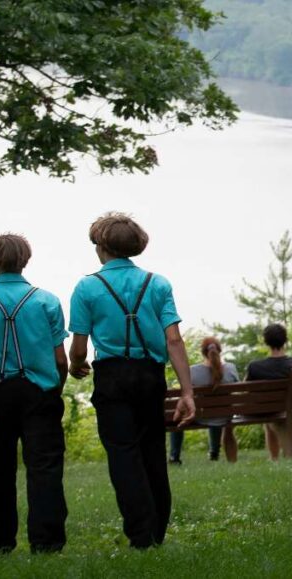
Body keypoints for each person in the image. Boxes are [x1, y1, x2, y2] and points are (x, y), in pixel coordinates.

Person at [68, 212, 196, 549]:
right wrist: (187, 391)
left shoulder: (87, 287)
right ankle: (157, 531)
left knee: (123, 454)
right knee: (152, 450)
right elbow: (174, 341)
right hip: (150, 376)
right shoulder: (158, 283)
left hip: (112, 377)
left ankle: (140, 534)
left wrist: (76, 365)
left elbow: (79, 347)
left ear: (102, 247)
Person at [0, 233, 69, 554]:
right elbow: (60, 358)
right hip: (40, 392)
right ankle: (47, 543)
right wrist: (54, 387)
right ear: (25, 260)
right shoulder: (46, 300)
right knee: (45, 467)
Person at [168, 337, 239, 464]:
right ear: (220, 350)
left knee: (178, 417)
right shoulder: (231, 368)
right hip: (225, 416)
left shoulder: (193, 371)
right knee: (216, 414)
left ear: (203, 352)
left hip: (201, 416)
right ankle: (214, 453)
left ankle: (175, 457)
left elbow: (185, 395)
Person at [245, 323, 292, 461]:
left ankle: (274, 458)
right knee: (276, 411)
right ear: (285, 340)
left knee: (270, 413)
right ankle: (276, 457)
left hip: (266, 409)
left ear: (266, 342)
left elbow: (247, 389)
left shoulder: (255, 367)